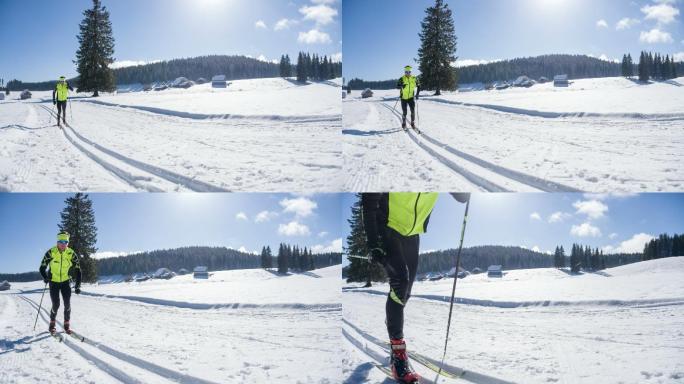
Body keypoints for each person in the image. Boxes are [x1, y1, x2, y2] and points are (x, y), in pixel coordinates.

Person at [362, 192, 439, 383]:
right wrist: (374, 244)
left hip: (413, 234)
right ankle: (398, 354)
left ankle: (392, 321)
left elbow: (460, 196)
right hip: (387, 226)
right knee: (400, 283)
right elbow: (369, 201)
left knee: (405, 293)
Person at [39, 232, 81, 335]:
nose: (63, 244)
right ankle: (52, 324)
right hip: (54, 282)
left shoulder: (71, 253)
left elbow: (78, 270)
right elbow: (42, 267)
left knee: (67, 304)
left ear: (68, 243)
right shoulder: (51, 252)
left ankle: (66, 325)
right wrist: (45, 277)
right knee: (56, 304)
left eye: (65, 242)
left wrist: (77, 285)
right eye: (61, 242)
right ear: (57, 242)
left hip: (65, 282)